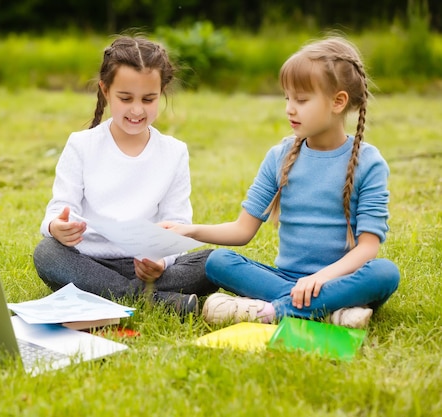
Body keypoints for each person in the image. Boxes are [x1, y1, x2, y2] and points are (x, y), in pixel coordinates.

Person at [162, 36, 400, 328]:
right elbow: (242, 230)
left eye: (301, 100)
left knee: (385, 273)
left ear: (338, 101)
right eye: (287, 98)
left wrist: (320, 279)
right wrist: (189, 230)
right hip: (284, 277)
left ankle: (271, 311)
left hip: (340, 279)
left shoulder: (369, 162)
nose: (290, 108)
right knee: (218, 261)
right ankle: (333, 310)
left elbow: (367, 248)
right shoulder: (279, 156)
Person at [33, 35, 217, 316]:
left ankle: (126, 294)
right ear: (105, 91)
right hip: (90, 262)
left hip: (147, 266)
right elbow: (57, 211)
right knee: (47, 253)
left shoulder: (173, 152)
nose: (137, 110)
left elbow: (177, 223)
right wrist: (56, 227)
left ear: (162, 91)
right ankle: (151, 300)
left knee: (216, 262)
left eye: (148, 99)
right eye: (125, 98)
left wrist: (161, 262)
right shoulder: (81, 145)